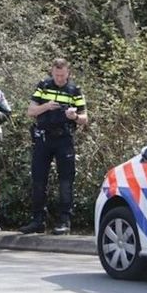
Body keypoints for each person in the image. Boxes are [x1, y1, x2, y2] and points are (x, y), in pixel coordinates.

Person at [18, 58, 88, 236]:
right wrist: (47, 106)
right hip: (43, 138)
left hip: (64, 139)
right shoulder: (43, 86)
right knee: (38, 179)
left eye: (62, 75)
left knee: (66, 180)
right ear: (52, 72)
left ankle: (64, 220)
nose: (59, 78)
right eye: (56, 75)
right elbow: (31, 111)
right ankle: (37, 220)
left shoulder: (74, 90)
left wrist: (73, 117)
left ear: (68, 73)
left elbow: (84, 119)